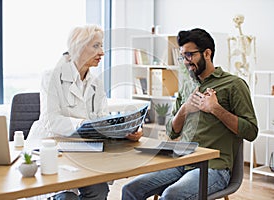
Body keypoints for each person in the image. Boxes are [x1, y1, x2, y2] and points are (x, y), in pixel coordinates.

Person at [121, 28, 258, 200]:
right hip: (180, 162)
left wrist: (215, 108)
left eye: (190, 55)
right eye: (182, 56)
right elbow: (172, 132)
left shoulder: (234, 85)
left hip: (213, 167)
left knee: (171, 196)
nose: (186, 61)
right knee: (130, 189)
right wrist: (185, 109)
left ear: (207, 53)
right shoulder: (187, 86)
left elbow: (251, 131)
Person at [27, 24, 143, 200]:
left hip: (85, 150)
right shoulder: (51, 76)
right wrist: (83, 124)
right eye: (96, 46)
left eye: (102, 46)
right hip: (53, 148)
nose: (102, 52)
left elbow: (102, 120)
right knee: (66, 197)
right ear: (78, 47)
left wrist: (124, 132)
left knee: (99, 191)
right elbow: (51, 121)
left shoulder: (96, 82)